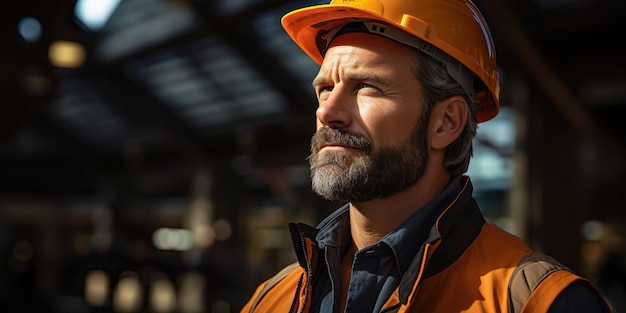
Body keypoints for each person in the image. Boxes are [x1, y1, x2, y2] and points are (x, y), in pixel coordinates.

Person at [242, 0, 611, 312]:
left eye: (366, 86)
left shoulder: (539, 302)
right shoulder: (271, 298)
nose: (327, 111)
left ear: (446, 122)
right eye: (324, 89)